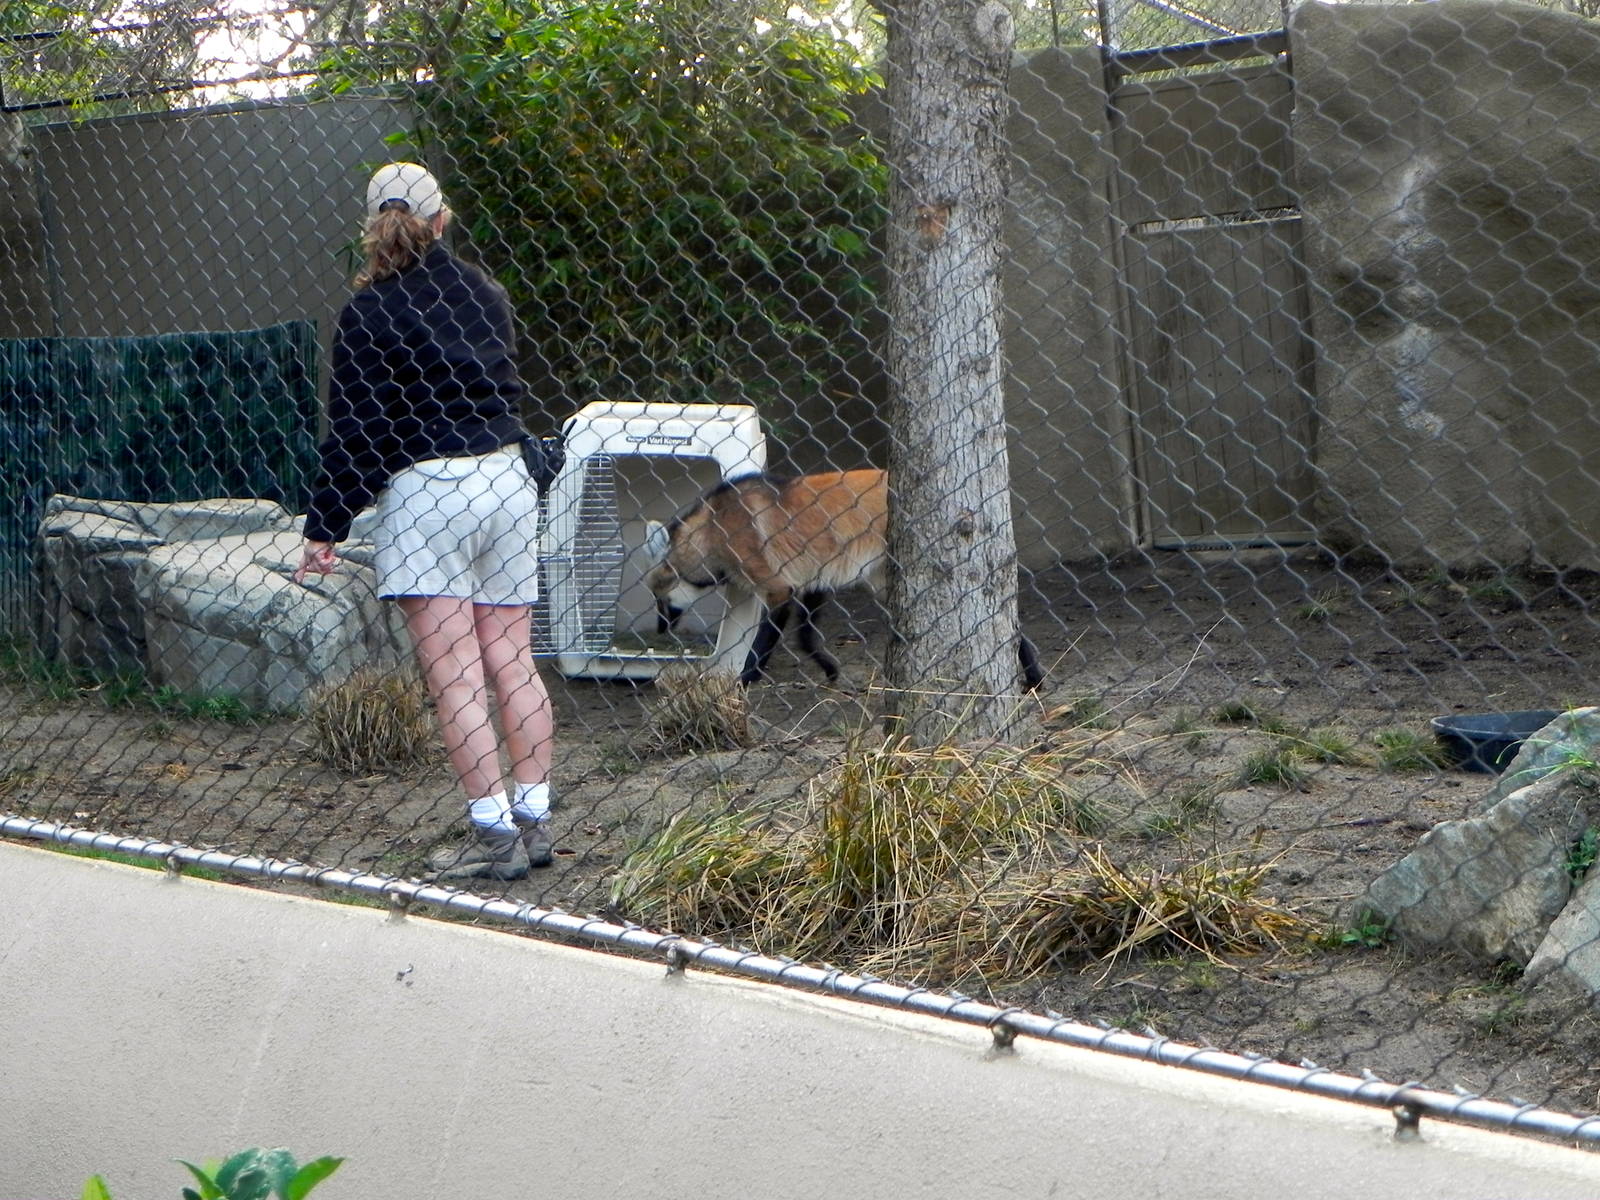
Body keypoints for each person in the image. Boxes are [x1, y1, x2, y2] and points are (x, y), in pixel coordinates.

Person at [293, 161, 554, 882]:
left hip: (429, 490)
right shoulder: (486, 293)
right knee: (513, 660)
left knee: (457, 676)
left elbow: (358, 430)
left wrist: (326, 523)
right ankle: (534, 819)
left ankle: (492, 836)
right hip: (505, 479)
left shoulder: (370, 311)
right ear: (443, 220)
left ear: (373, 228)